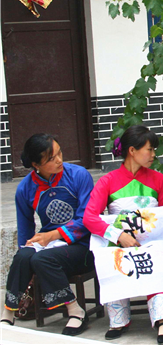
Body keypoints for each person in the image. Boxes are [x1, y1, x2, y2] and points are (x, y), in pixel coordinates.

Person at [83, 125, 163, 343]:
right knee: (113, 259)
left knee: (159, 258)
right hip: (120, 244)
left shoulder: (158, 180)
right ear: (132, 151)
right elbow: (89, 217)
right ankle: (119, 318)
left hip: (151, 243)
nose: (154, 154)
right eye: (150, 149)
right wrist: (117, 235)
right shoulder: (108, 181)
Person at [1, 134, 94, 336]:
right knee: (24, 255)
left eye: (59, 153)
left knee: (42, 259)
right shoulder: (25, 188)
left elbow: (88, 219)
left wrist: (52, 236)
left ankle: (75, 311)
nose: (59, 160)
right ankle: (8, 313)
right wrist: (28, 254)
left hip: (83, 246)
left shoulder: (78, 175)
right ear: (36, 164)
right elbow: (25, 233)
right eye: (51, 158)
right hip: (50, 245)